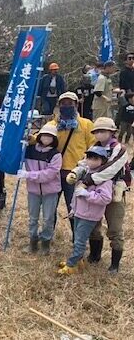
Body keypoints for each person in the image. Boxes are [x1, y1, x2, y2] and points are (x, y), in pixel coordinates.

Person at [70, 117, 129, 273]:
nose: (99, 134)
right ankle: (95, 256)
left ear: (112, 132)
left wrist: (88, 180)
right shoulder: (93, 147)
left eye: (103, 131)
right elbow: (84, 163)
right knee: (93, 225)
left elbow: (110, 169)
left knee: (114, 228)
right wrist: (76, 173)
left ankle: (115, 265)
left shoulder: (120, 149)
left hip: (113, 192)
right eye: (96, 131)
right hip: (92, 192)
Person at [42, 92, 94, 240]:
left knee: (75, 209)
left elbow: (93, 147)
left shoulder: (86, 124)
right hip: (54, 174)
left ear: (76, 105)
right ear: (59, 106)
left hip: (75, 175)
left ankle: (77, 240)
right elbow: (40, 138)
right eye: (63, 103)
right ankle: (47, 236)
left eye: (70, 103)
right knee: (49, 209)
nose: (66, 106)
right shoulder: (52, 125)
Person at [57, 146, 112, 275]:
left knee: (80, 240)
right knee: (77, 239)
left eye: (95, 158)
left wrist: (87, 194)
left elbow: (105, 198)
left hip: (90, 215)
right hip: (79, 212)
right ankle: (78, 261)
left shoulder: (104, 178)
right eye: (89, 157)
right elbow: (76, 194)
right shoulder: (85, 173)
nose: (91, 161)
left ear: (103, 161)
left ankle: (72, 265)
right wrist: (73, 208)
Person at [17, 125, 62, 255]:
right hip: (33, 191)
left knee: (48, 218)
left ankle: (45, 243)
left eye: (50, 136)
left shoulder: (55, 154)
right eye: (44, 135)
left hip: (50, 191)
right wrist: (22, 144)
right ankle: (33, 242)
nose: (46, 138)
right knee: (33, 218)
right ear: (39, 136)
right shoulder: (29, 150)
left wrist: (29, 175)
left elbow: (50, 174)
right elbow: (17, 154)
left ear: (54, 139)